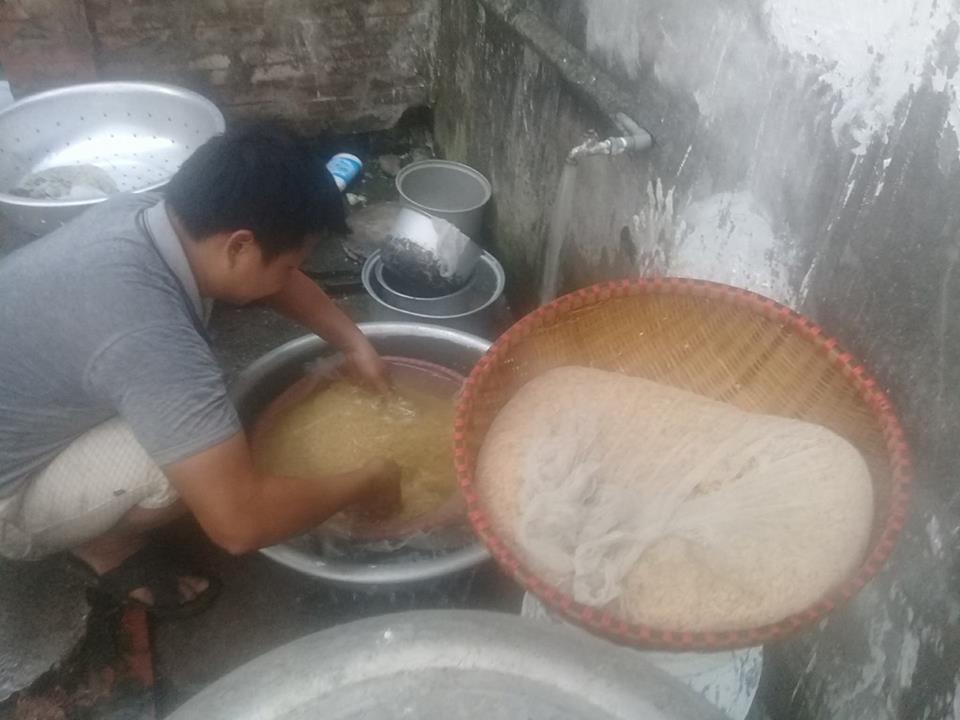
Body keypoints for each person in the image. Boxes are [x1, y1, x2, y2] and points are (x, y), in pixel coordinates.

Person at [0, 122, 401, 618]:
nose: (288, 276)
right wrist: (372, 477)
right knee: (191, 470)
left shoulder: (147, 218)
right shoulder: (149, 330)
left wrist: (354, 344)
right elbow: (239, 524)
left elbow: (273, 278)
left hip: (29, 401)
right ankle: (103, 546)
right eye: (288, 264)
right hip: (10, 489)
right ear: (239, 246)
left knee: (196, 420)